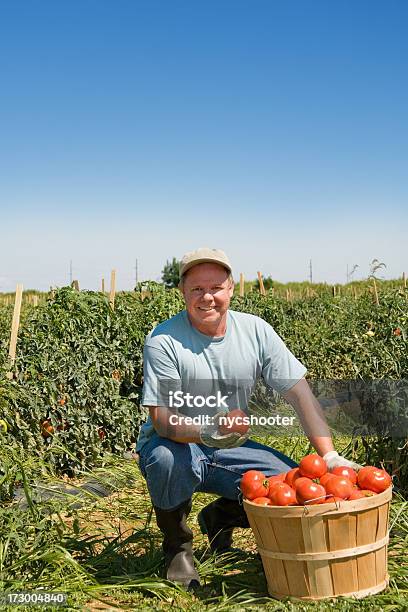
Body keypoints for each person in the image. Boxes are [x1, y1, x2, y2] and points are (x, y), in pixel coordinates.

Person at [136, 248, 359, 590]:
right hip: (177, 442)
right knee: (167, 460)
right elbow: (163, 420)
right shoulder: (164, 340)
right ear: (182, 291)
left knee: (292, 488)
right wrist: (209, 430)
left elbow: (299, 393)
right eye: (197, 289)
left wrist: (328, 455)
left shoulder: (254, 331)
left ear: (230, 290)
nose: (207, 297)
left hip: (230, 446)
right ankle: (178, 547)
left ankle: (220, 516)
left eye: (216, 288)